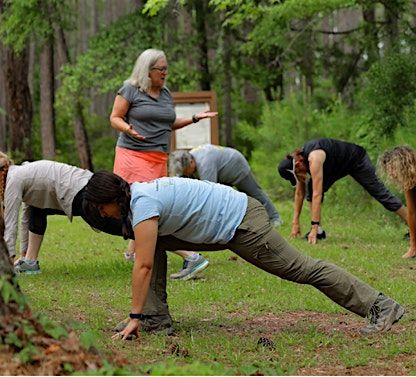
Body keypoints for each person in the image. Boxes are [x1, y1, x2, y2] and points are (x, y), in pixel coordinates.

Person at [81, 172, 405, 339]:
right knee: (156, 243)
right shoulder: (140, 195)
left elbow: (144, 265)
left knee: (302, 269)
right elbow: (149, 251)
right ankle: (156, 318)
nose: (105, 215)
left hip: (242, 223)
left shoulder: (144, 204)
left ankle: (380, 306)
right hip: (229, 220)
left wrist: (133, 316)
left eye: (101, 209)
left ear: (110, 199)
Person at [110, 48, 217, 280]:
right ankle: (187, 255)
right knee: (141, 207)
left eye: (166, 69)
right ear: (147, 71)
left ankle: (152, 253)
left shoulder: (166, 93)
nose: (165, 73)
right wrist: (128, 128)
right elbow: (115, 117)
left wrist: (195, 118)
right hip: (132, 156)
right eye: (161, 69)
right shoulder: (130, 90)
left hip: (158, 158)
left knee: (154, 208)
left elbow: (169, 123)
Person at [0, 156, 126, 273]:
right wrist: (23, 254)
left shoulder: (14, 180)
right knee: (37, 210)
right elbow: (25, 219)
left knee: (113, 224)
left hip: (78, 190)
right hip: (77, 184)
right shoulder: (20, 172)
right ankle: (29, 262)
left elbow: (10, 224)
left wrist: (8, 264)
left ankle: (142, 237)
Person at [278, 138, 408, 244]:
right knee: (310, 191)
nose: (301, 177)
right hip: (336, 166)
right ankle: (319, 233)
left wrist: (313, 225)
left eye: (298, 174)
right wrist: (295, 223)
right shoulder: (299, 161)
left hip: (355, 159)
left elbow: (318, 194)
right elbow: (299, 193)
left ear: (298, 165)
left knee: (380, 193)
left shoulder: (314, 158)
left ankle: (415, 224)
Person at [169, 144, 282, 226]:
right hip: (221, 171)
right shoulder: (190, 158)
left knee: (254, 193)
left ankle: (275, 218)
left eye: (185, 171)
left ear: (191, 162)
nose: (185, 175)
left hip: (236, 165)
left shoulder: (205, 164)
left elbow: (209, 194)